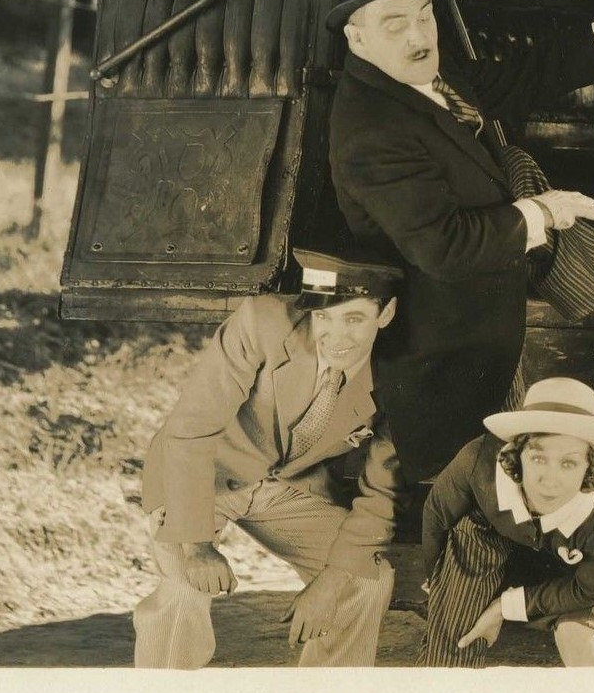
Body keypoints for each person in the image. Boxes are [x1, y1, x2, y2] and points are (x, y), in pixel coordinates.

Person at [319, 0, 594, 484]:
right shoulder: (371, 131)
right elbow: (446, 248)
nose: (419, 36)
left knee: (516, 165)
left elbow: (518, 79)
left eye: (424, 15)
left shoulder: (424, 74)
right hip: (445, 361)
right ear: (357, 39)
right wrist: (542, 213)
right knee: (479, 516)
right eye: (396, 25)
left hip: (494, 317)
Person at [133, 250, 404, 669]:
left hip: (287, 488)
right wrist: (197, 545)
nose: (335, 336)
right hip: (204, 472)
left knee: (366, 580)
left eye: (354, 319)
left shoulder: (401, 373)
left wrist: (331, 581)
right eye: (324, 318)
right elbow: (191, 430)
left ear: (385, 314)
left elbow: (382, 493)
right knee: (185, 588)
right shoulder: (262, 322)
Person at [419, 376, 594, 667]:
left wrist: (505, 607)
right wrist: (437, 579)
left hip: (591, 548)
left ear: (589, 467)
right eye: (539, 458)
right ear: (517, 454)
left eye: (568, 463)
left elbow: (592, 589)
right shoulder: (477, 463)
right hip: (520, 532)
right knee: (466, 536)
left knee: (574, 632)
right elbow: (437, 516)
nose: (550, 481)